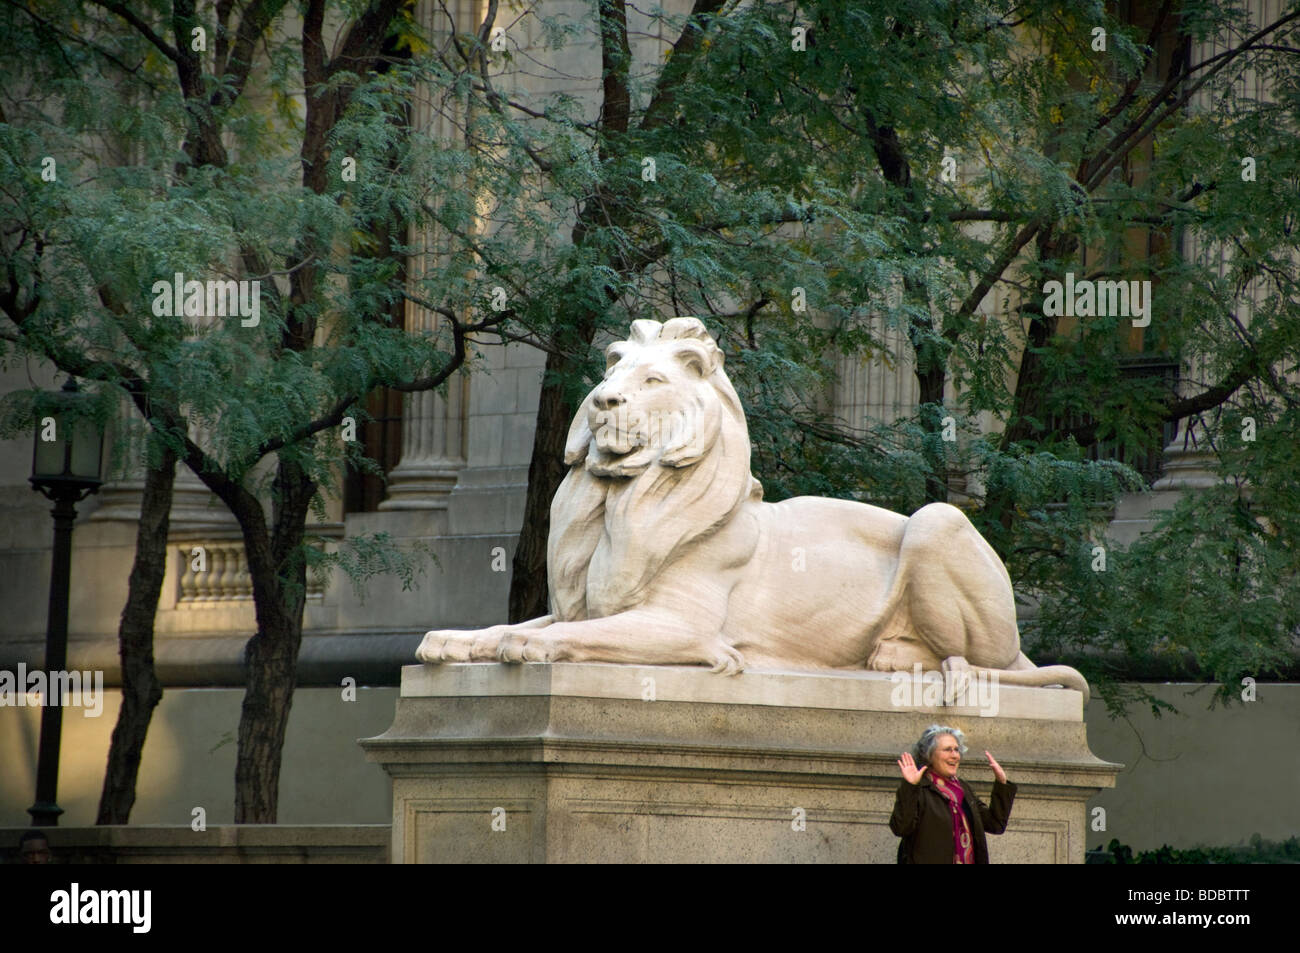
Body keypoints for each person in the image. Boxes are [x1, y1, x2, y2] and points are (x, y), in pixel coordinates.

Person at [890, 724, 1016, 864]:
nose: (955, 755)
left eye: (956, 750)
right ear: (929, 756)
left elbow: (995, 823)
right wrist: (910, 786)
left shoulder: (962, 788)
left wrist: (1002, 783)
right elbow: (901, 828)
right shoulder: (920, 789)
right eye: (947, 750)